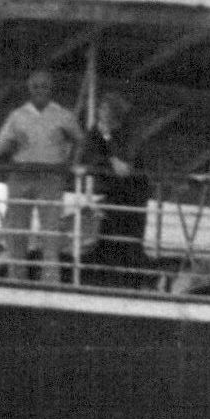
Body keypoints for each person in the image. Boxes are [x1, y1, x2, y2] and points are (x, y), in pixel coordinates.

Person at [0, 68, 83, 281]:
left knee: (50, 231)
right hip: (21, 175)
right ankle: (16, 278)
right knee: (17, 230)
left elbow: (80, 140)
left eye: (44, 86)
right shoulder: (17, 116)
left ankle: (50, 280)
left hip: (51, 177)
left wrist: (71, 163)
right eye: (35, 86)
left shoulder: (63, 115)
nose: (40, 90)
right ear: (29, 89)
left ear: (51, 89)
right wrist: (13, 142)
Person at [84, 94, 152, 288]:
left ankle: (136, 281)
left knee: (130, 239)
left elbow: (122, 168)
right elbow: (86, 156)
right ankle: (109, 280)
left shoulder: (129, 133)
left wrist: (107, 139)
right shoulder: (95, 132)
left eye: (105, 110)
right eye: (100, 109)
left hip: (133, 194)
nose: (100, 113)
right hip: (114, 193)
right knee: (110, 237)